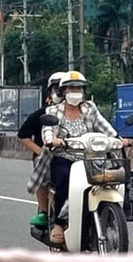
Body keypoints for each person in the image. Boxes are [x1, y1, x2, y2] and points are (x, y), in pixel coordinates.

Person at [43, 71, 120, 247]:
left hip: (92, 157)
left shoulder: (90, 108)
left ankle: (107, 215)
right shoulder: (53, 110)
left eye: (78, 88)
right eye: (71, 88)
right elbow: (48, 129)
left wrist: (119, 139)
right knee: (63, 179)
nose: (75, 91)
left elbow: (104, 127)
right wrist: (52, 140)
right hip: (65, 157)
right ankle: (59, 224)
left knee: (112, 177)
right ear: (63, 91)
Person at [20, 72, 67, 228]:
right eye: (58, 89)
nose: (62, 93)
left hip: (73, 154)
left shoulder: (82, 112)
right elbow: (23, 135)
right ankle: (44, 211)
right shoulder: (43, 113)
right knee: (43, 166)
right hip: (47, 154)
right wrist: (40, 151)